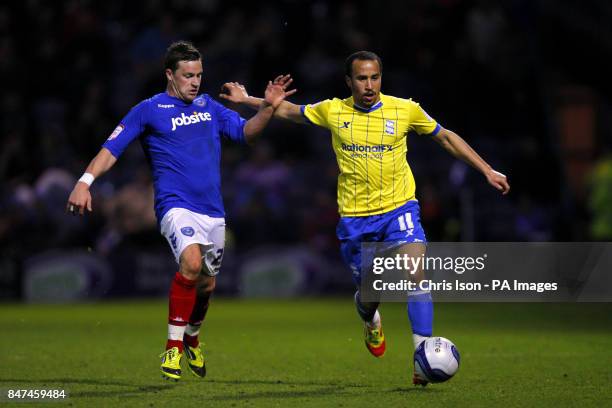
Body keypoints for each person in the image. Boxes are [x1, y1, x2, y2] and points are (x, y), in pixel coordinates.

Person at [221, 50, 510, 385]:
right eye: (362, 78)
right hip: (356, 219)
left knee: (417, 274)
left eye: (374, 77)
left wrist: (486, 169)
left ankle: (421, 359)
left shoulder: (405, 109)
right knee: (370, 295)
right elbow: (288, 111)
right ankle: (370, 317)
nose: (369, 84)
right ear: (349, 81)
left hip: (400, 208)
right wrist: (248, 99)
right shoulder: (333, 110)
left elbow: (445, 137)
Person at [66, 41, 295, 381]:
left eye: (199, 75)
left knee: (207, 285)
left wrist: (267, 109)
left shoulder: (210, 107)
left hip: (212, 210)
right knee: (190, 264)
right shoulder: (148, 110)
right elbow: (111, 149)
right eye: (188, 75)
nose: (195, 82)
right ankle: (173, 347)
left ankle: (192, 337)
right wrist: (85, 182)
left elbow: (246, 133)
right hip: (175, 206)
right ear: (169, 75)